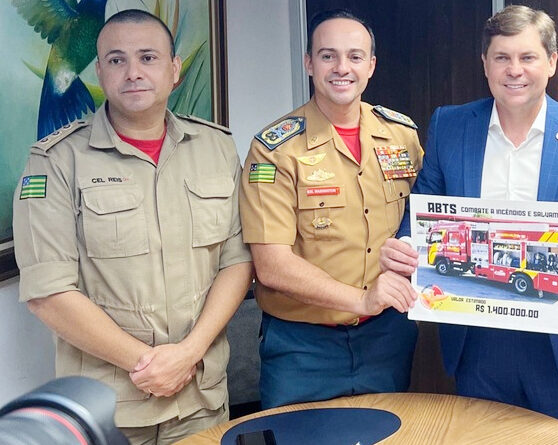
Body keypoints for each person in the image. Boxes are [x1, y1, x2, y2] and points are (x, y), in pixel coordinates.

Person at [379, 5, 558, 441]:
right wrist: (404, 244)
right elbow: (420, 216)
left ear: (552, 62)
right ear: (485, 65)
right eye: (502, 58)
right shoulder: (450, 125)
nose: (514, 70)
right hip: (478, 342)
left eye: (528, 57)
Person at [12, 10, 253, 444]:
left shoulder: (216, 147)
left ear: (174, 69)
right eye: (117, 60)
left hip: (201, 396)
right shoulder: (55, 161)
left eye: (148, 57)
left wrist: (188, 355)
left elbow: (236, 262)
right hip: (109, 406)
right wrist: (151, 364)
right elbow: (49, 293)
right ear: (100, 70)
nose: (134, 72)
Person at [240, 9, 423, 409]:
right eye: (328, 56)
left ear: (371, 66)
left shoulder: (402, 135)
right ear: (308, 63)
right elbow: (271, 265)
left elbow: (431, 221)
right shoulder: (274, 150)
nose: (343, 68)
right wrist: (361, 300)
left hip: (387, 336)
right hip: (303, 346)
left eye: (355, 57)